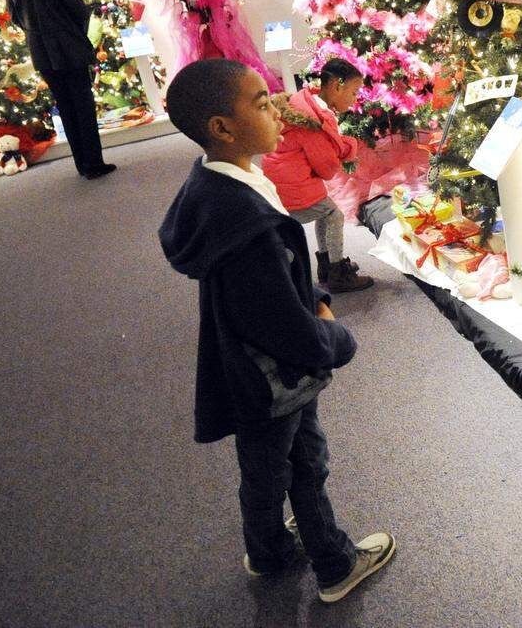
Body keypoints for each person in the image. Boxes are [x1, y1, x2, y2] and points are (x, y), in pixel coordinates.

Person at [157, 59, 395, 603]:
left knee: (262, 468)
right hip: (277, 376)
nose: (279, 112)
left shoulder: (214, 183)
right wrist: (336, 338)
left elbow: (276, 282)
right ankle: (335, 564)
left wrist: (313, 295)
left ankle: (266, 551)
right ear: (222, 126)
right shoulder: (248, 224)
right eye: (262, 104)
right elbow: (282, 322)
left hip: (242, 369)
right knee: (305, 463)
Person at [4, 0, 115, 179]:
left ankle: (82, 165)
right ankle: (94, 164)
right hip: (68, 49)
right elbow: (79, 13)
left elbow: (14, 16)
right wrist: (73, 34)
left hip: (41, 53)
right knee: (83, 107)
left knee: (66, 107)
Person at [262, 59, 373, 293]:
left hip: (283, 181)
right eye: (353, 93)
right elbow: (326, 167)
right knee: (334, 214)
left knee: (326, 212)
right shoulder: (314, 121)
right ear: (336, 86)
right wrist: (349, 147)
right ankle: (337, 273)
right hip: (292, 189)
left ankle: (325, 265)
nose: (354, 100)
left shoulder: (306, 105)